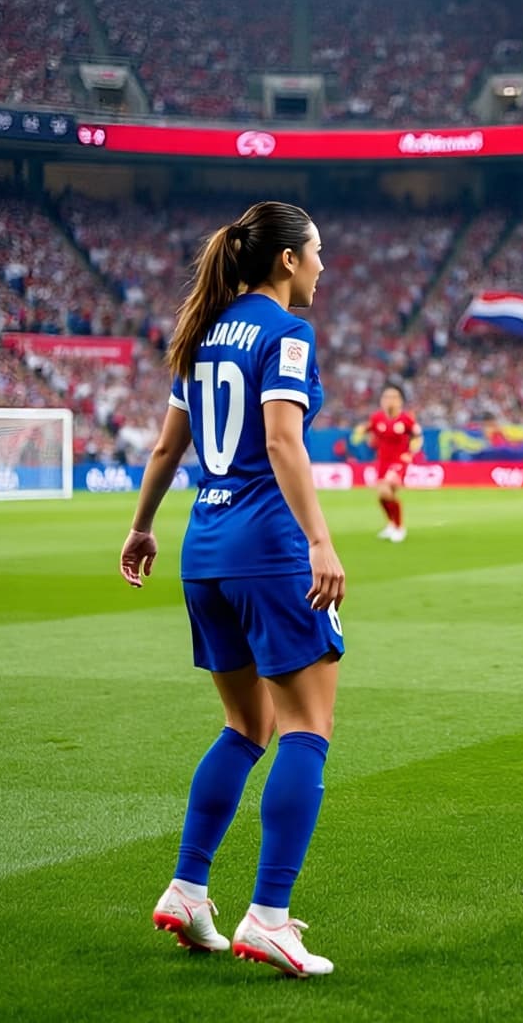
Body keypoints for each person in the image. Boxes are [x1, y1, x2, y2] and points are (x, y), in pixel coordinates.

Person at [119, 200, 346, 976]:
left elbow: (165, 447)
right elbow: (282, 438)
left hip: (202, 548)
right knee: (306, 727)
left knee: (244, 727)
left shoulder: (203, 333)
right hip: (267, 548)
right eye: (317, 252)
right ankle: (270, 918)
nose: (322, 265)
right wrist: (320, 539)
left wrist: (142, 526)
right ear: (287, 260)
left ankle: (188, 888)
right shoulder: (287, 334)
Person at [365, 382, 422, 542]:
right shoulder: (376, 418)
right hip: (383, 461)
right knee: (383, 496)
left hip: (399, 461)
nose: (389, 400)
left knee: (385, 490)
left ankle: (399, 527)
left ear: (400, 401)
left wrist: (410, 453)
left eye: (393, 397)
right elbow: (369, 434)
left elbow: (417, 437)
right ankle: (391, 524)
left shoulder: (406, 419)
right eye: (386, 397)